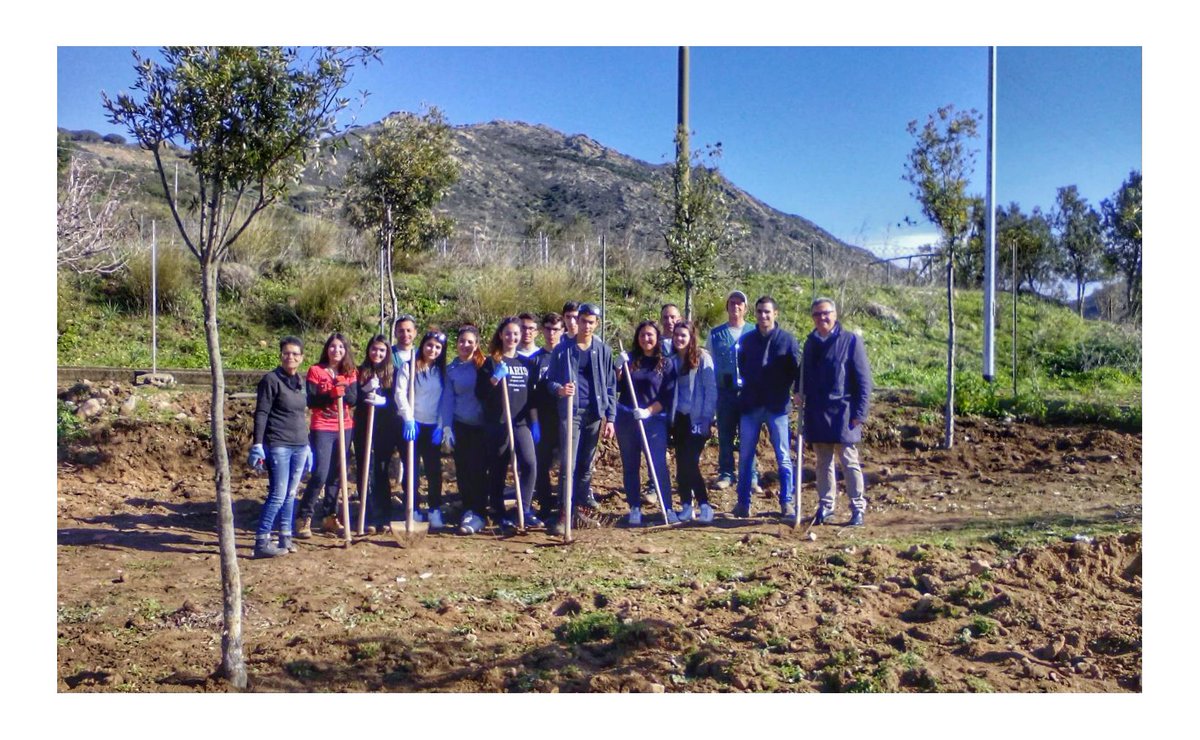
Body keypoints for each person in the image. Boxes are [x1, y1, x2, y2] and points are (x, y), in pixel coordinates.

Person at [545, 302, 617, 535]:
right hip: (571, 413)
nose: (586, 325)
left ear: (597, 324)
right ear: (577, 322)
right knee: (569, 464)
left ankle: (579, 509)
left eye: (591, 322)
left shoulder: (603, 350)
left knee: (586, 465)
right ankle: (564, 513)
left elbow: (609, 386)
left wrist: (611, 417)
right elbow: (550, 381)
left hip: (594, 414)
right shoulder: (563, 350)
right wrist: (559, 390)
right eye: (583, 320)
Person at [802, 298, 872, 527]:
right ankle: (826, 506)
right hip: (817, 412)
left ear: (834, 314)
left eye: (825, 313)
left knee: (849, 462)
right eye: (817, 315)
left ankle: (857, 507)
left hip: (844, 412)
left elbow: (863, 381)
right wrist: (798, 392)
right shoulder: (810, 342)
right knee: (823, 463)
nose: (822, 318)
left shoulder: (851, 341)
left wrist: (860, 413)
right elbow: (803, 375)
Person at [734, 296, 801, 519]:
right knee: (745, 456)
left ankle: (787, 502)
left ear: (776, 314)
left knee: (783, 456)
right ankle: (743, 503)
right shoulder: (748, 340)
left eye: (767, 312)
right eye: (760, 311)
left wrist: (794, 392)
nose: (763, 316)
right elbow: (742, 368)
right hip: (751, 405)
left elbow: (795, 371)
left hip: (777, 406)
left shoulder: (787, 340)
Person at [247, 336, 311, 557]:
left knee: (291, 494)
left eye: (295, 353)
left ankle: (285, 537)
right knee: (278, 493)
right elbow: (262, 413)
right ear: (280, 355)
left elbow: (301, 415)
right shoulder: (271, 380)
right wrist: (258, 443)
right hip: (278, 444)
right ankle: (261, 541)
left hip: (300, 445)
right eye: (286, 353)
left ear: (302, 358)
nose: (290, 357)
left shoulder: (300, 382)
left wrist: (308, 444)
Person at [477, 317, 539, 532]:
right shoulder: (491, 362)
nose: (512, 337)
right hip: (498, 423)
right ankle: (498, 511)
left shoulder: (526, 363)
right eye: (508, 333)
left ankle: (524, 509)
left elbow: (531, 397)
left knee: (530, 464)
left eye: (516, 334)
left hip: (520, 423)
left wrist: (534, 423)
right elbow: (481, 393)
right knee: (498, 469)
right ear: (501, 335)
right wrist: (494, 378)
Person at [296, 332, 358, 538]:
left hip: (344, 427)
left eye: (341, 347)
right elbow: (312, 401)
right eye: (333, 347)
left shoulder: (350, 372)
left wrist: (344, 388)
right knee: (321, 473)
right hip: (322, 427)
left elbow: (353, 398)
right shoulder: (316, 371)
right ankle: (303, 516)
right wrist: (330, 393)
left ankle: (329, 517)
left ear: (345, 350)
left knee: (337, 475)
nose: (336, 351)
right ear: (327, 349)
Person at [615, 320, 677, 526]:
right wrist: (618, 368)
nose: (646, 339)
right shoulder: (630, 360)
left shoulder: (666, 363)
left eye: (650, 335)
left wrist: (648, 412)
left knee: (657, 464)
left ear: (657, 338)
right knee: (630, 464)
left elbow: (667, 396)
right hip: (626, 417)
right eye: (642, 335)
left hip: (653, 420)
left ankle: (667, 508)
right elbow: (616, 385)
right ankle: (634, 507)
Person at [395, 328, 451, 529]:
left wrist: (440, 425)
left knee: (434, 470)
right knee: (411, 469)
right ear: (422, 345)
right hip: (413, 424)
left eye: (438, 347)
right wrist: (408, 418)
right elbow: (400, 394)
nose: (433, 350)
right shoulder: (409, 368)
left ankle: (435, 509)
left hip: (431, 426)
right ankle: (413, 508)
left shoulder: (441, 372)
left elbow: (445, 400)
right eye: (430, 345)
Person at [707, 290, 758, 493]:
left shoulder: (754, 332)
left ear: (745, 308)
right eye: (732, 303)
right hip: (724, 392)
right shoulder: (715, 334)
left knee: (749, 436)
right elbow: (709, 364)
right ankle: (726, 473)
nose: (736, 306)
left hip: (748, 393)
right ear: (727, 306)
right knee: (725, 435)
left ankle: (751, 475)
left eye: (740, 303)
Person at [670, 321, 717, 524]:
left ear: (691, 338)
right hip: (678, 418)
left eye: (684, 336)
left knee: (690, 462)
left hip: (697, 419)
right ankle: (687, 506)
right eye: (677, 335)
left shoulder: (702, 358)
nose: (680, 339)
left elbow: (711, 390)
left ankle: (705, 505)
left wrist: (707, 418)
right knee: (681, 464)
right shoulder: (672, 361)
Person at [444, 326, 489, 535]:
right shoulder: (451, 369)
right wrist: (446, 427)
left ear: (477, 344)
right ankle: (468, 508)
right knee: (463, 469)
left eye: (470, 341)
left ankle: (480, 511)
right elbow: (448, 400)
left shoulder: (484, 365)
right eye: (462, 341)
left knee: (479, 470)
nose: (465, 345)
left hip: (482, 427)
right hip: (461, 425)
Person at [354, 335, 396, 534]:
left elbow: (397, 402)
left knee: (380, 470)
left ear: (387, 352)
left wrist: (384, 401)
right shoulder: (360, 372)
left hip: (384, 429)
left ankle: (383, 515)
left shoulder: (392, 374)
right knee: (364, 469)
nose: (377, 353)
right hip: (363, 427)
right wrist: (364, 391)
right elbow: (352, 398)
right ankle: (367, 514)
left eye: (381, 350)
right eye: (374, 349)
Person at [530, 312, 565, 523]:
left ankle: (563, 506)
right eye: (548, 329)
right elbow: (531, 394)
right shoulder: (536, 360)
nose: (551, 334)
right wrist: (534, 421)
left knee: (565, 466)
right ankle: (544, 505)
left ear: (563, 331)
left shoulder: (566, 356)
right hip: (543, 421)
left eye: (556, 329)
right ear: (541, 331)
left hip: (564, 418)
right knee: (541, 465)